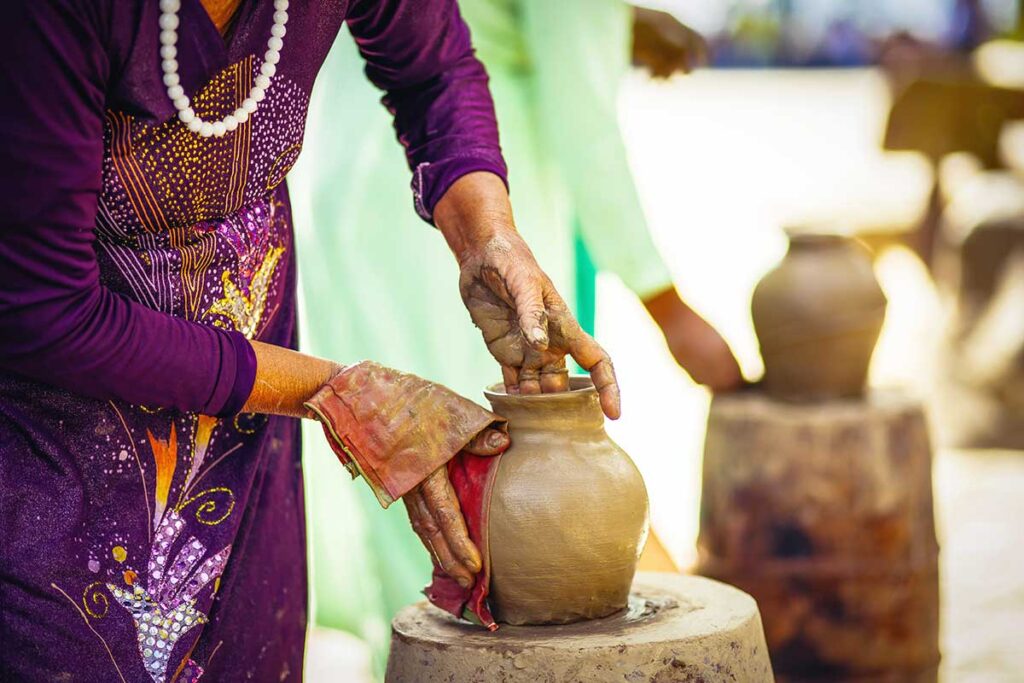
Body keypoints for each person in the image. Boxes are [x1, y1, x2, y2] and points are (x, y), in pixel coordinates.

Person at [0, 1, 617, 680]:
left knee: (245, 650)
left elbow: (434, 68)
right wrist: (332, 390)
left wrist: (487, 235)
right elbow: (45, 310)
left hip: (241, 424)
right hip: (54, 439)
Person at [290, 0, 743, 668]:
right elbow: (584, 127)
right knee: (451, 483)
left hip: (363, 177)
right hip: (438, 211)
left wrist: (616, 21)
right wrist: (666, 303)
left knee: (429, 471)